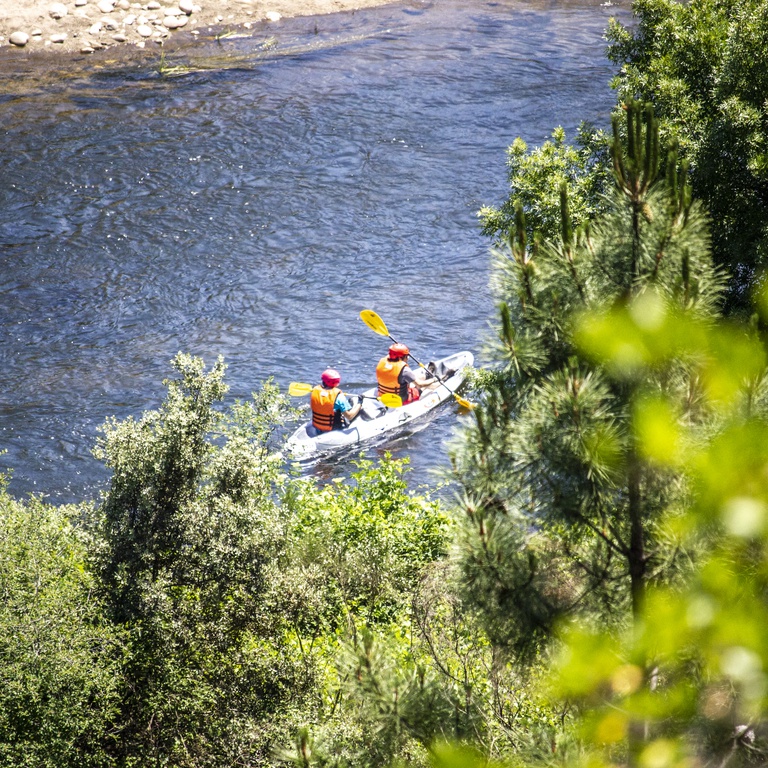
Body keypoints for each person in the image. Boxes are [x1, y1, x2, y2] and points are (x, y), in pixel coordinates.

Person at [310, 368, 363, 432]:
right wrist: (360, 403)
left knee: (346, 404)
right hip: (333, 429)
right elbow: (349, 416)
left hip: (317, 426)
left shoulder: (315, 391)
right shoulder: (339, 397)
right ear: (337, 382)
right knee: (356, 407)